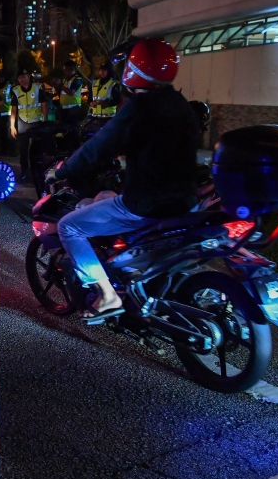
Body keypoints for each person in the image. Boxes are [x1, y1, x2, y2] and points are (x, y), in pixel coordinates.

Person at [45, 39, 199, 320]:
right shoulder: (181, 104)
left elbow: (100, 145)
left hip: (145, 204)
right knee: (105, 197)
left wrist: (63, 170)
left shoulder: (140, 107)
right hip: (185, 202)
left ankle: (107, 295)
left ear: (134, 68)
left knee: (69, 226)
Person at [10, 68, 47, 182]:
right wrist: (12, 126)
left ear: (29, 77)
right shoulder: (16, 90)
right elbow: (14, 110)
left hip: (36, 122)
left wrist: (45, 122)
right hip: (23, 122)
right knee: (23, 149)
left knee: (37, 149)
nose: (21, 79)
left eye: (23, 77)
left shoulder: (38, 88)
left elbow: (44, 106)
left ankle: (39, 171)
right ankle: (25, 172)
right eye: (19, 78)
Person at [88, 62, 122, 133]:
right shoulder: (94, 83)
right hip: (95, 117)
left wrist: (105, 104)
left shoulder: (114, 84)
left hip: (108, 118)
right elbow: (90, 97)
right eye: (101, 70)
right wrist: (91, 103)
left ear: (109, 71)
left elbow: (117, 100)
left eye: (104, 70)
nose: (102, 72)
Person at [0, 69, 13, 155]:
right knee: (1, 134)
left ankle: (12, 151)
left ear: (5, 77)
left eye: (1, 77)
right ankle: (3, 150)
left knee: (10, 134)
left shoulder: (10, 86)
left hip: (7, 114)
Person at [58, 60, 83, 126]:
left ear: (71, 69)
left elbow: (71, 92)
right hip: (65, 109)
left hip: (73, 109)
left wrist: (61, 85)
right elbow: (62, 92)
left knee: (72, 128)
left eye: (65, 70)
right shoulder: (66, 80)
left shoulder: (77, 79)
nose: (64, 71)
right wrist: (56, 85)